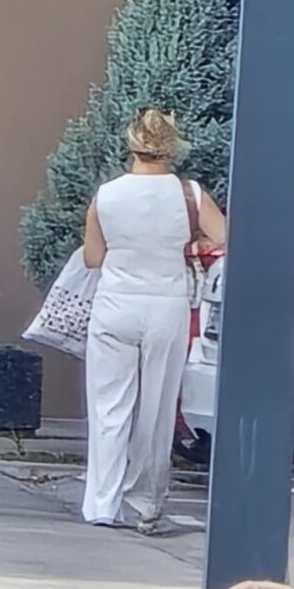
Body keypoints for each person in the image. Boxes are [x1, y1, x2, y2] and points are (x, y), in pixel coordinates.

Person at [81, 108, 225, 535]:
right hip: (166, 305)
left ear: (132, 145)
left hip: (115, 304)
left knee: (108, 407)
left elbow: (93, 258)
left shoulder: (107, 195)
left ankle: (102, 504)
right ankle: (144, 501)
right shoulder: (190, 195)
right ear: (172, 147)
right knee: (157, 410)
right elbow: (225, 239)